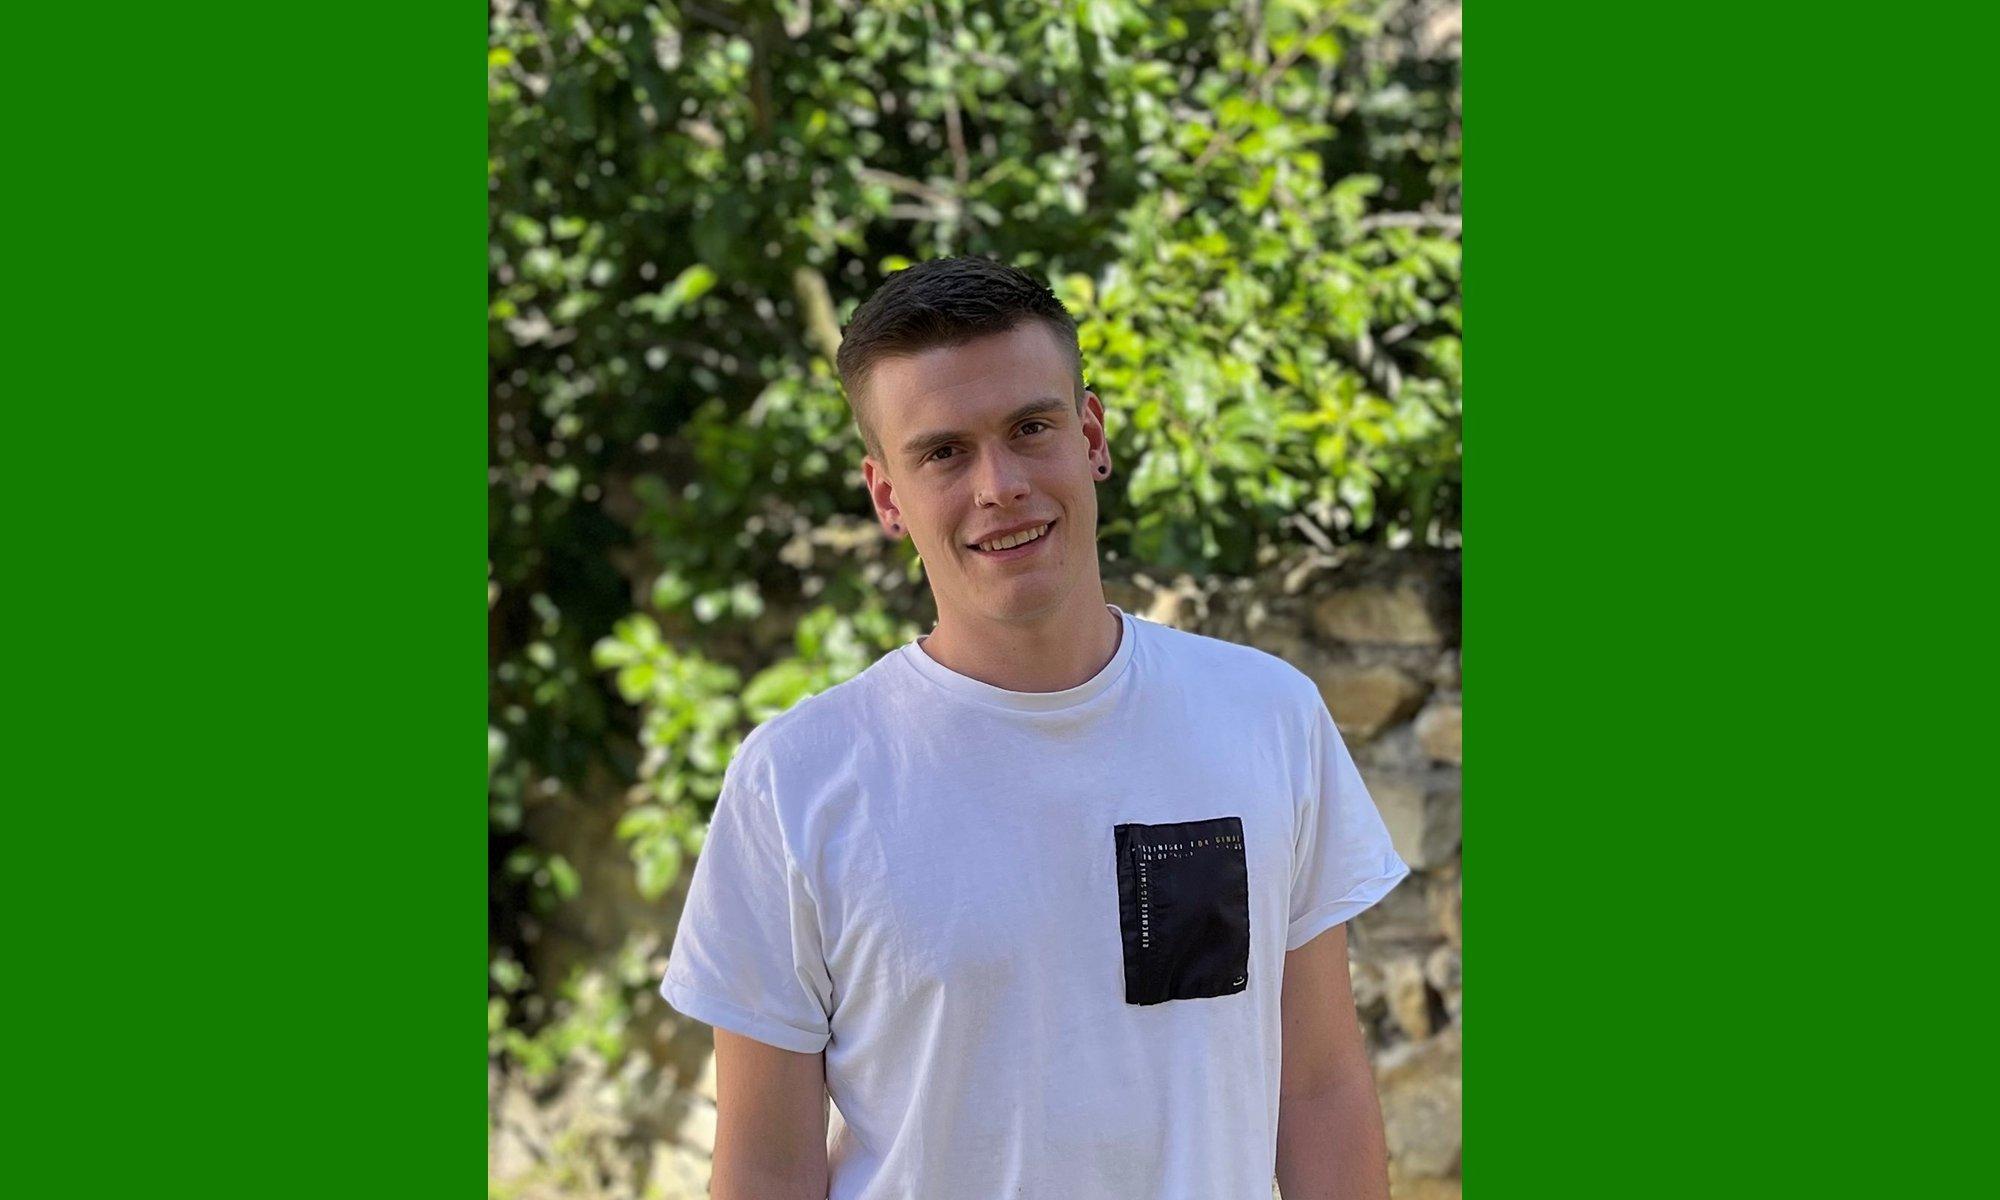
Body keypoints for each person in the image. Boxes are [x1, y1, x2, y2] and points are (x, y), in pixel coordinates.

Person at [660, 256, 1410, 1199]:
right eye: (943, 453)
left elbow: (1319, 1091)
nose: (1000, 484)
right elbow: (767, 1168)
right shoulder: (796, 781)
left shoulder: (1265, 717)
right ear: (887, 496)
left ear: (1090, 435)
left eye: (1030, 428)